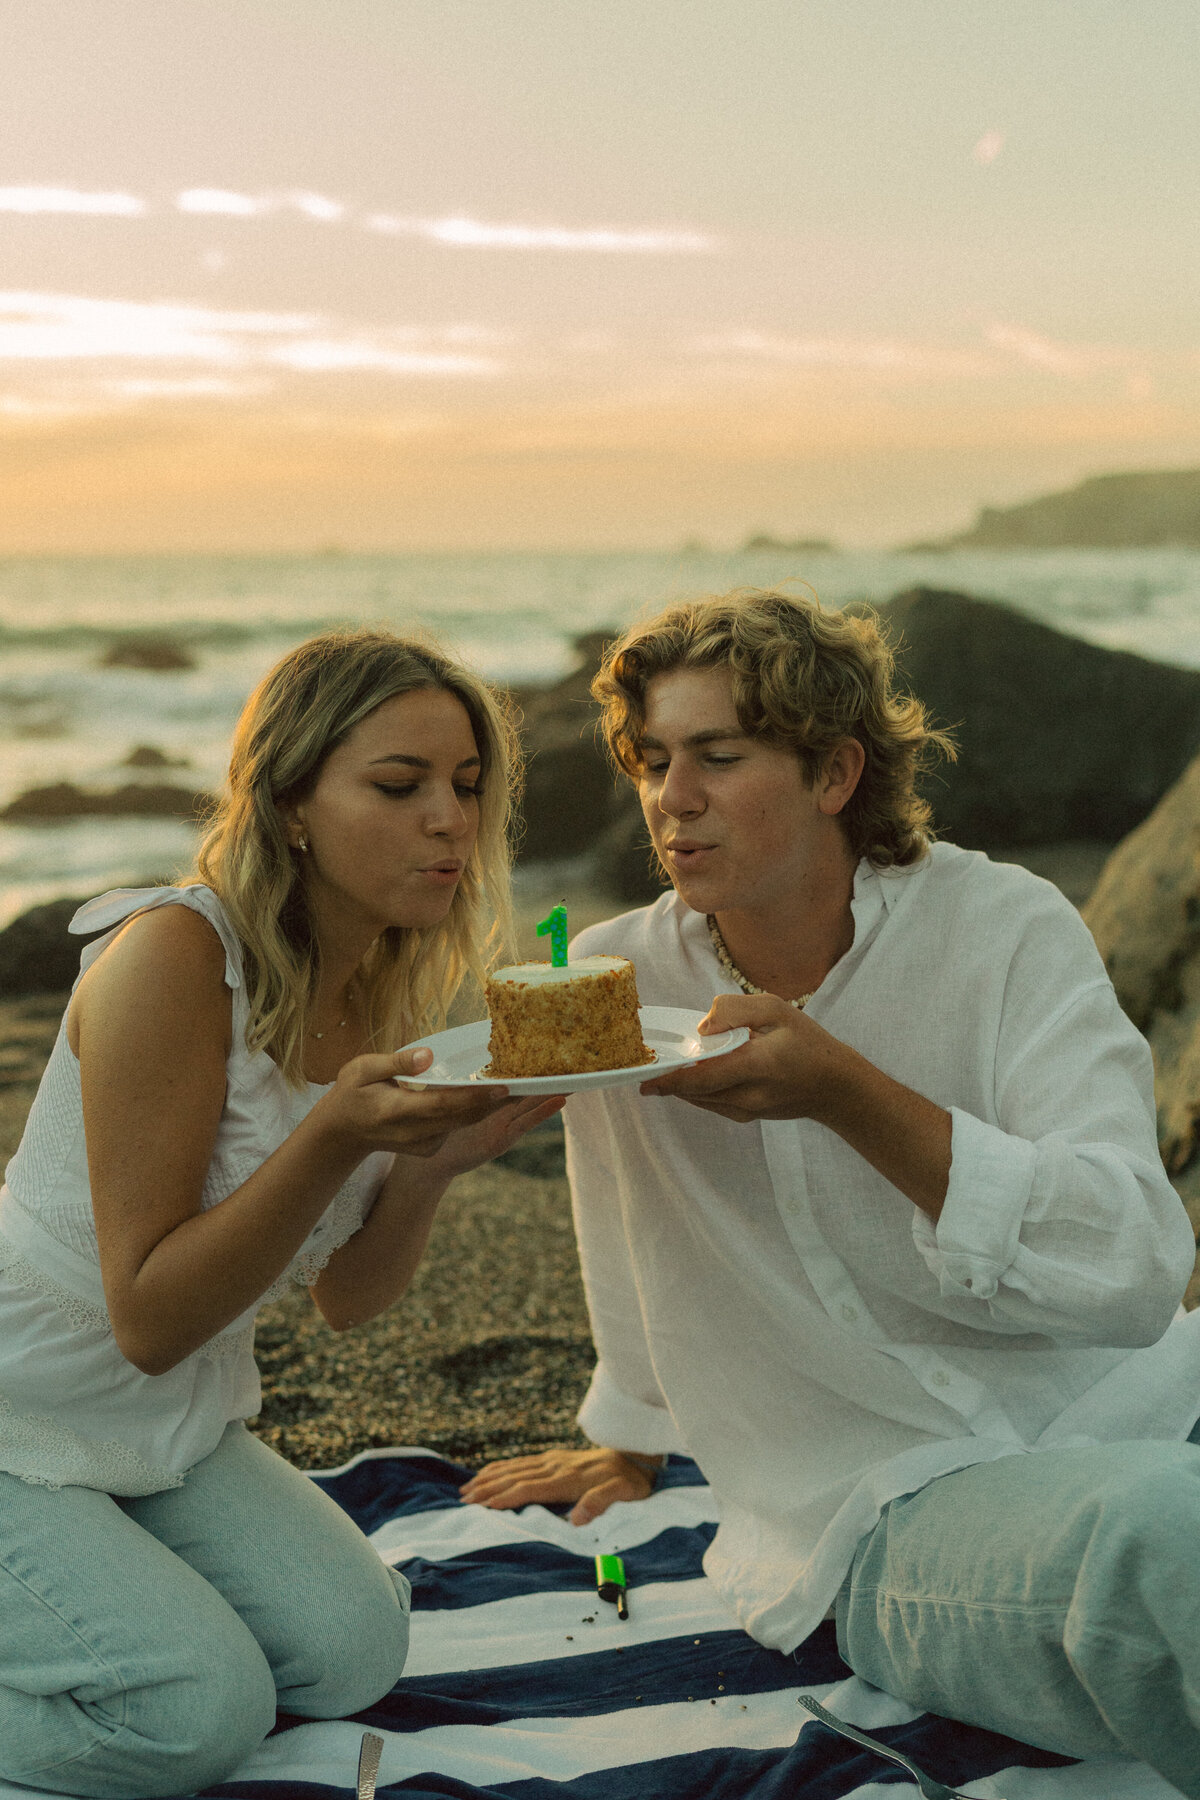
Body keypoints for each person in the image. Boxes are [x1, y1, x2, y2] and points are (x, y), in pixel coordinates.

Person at [461, 588, 1200, 1798]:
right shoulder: (613, 979)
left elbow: (1134, 1268)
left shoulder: (1006, 928)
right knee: (1165, 1543)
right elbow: (622, 1216)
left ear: (835, 772)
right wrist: (630, 1435)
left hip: (1141, 1393)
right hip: (875, 1514)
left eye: (717, 756)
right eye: (652, 761)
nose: (670, 797)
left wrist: (850, 1094)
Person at [0, 629, 560, 1799]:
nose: (450, 820)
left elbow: (343, 1300)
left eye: (467, 786)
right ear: (291, 806)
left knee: (355, 1652)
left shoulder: (375, 986)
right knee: (197, 1718)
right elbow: (150, 1315)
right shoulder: (174, 958)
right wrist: (334, 1138)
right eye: (398, 786)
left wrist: (427, 1170)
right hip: (19, 1411)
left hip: (169, 1430)